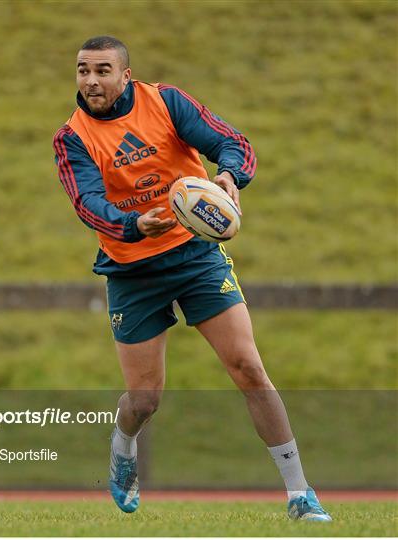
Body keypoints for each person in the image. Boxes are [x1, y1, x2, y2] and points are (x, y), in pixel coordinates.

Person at [53, 35, 332, 522]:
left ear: (125, 75)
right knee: (144, 399)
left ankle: (299, 493)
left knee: (247, 366)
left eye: (102, 70)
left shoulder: (165, 102)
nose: (91, 80)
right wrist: (133, 224)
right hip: (131, 269)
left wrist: (228, 176)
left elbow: (233, 143)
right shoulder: (71, 138)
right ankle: (123, 447)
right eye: (83, 71)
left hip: (196, 255)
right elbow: (86, 202)